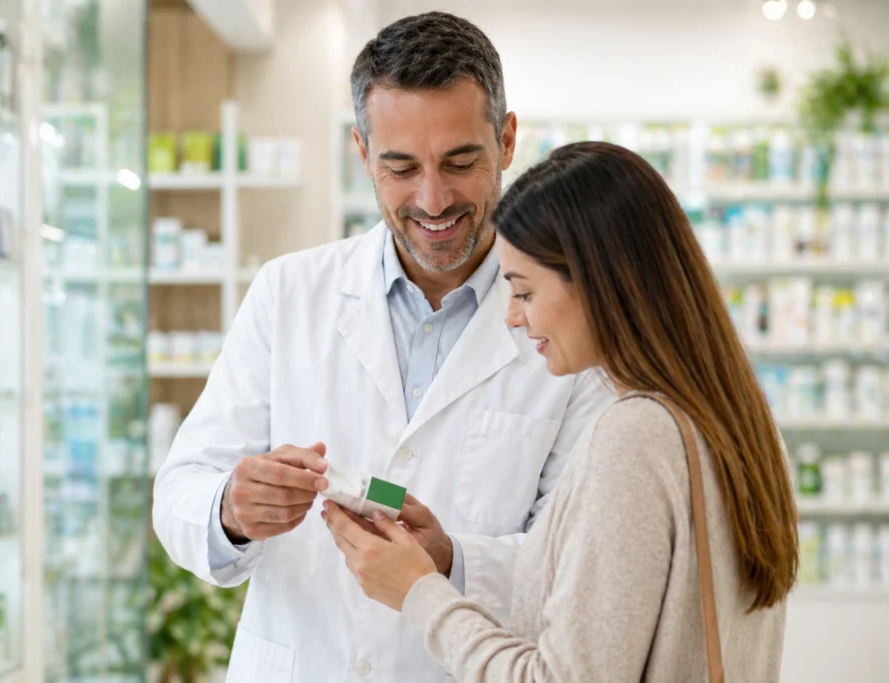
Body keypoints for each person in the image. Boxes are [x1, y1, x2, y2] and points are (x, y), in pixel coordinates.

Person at [152, 11, 615, 683]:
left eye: (460, 161)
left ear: (507, 140)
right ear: (363, 154)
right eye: (400, 167)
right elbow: (179, 492)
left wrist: (452, 560)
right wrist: (229, 509)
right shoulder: (291, 292)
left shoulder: (570, 324)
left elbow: (574, 564)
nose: (432, 199)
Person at [324, 141, 799, 682]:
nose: (512, 318)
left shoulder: (637, 435)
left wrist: (419, 595)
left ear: (599, 283)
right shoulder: (735, 424)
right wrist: (450, 557)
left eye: (524, 292)